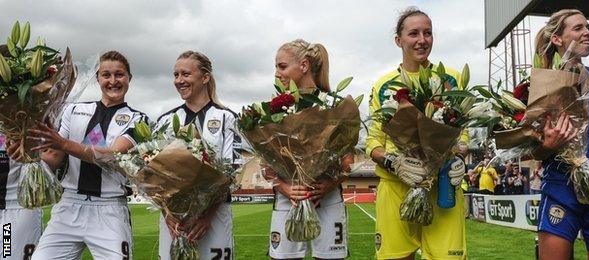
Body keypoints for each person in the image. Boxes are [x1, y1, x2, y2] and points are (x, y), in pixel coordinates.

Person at [20, 51, 148, 259]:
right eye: (106, 75)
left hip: (109, 209)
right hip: (68, 206)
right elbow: (54, 157)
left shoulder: (138, 119)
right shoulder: (74, 110)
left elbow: (112, 156)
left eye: (119, 75)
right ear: (97, 78)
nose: (113, 81)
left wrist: (63, 143)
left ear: (129, 79)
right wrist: (27, 151)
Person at [365, 8, 466, 259]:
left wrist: (460, 156)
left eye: (428, 33)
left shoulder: (450, 80)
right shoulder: (383, 86)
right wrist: (394, 162)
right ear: (398, 40)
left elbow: (462, 133)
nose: (422, 40)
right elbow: (374, 141)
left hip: (443, 185)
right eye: (414, 33)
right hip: (396, 186)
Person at [532, 9, 589, 260]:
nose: (587, 33)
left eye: (588, 27)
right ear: (557, 39)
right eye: (578, 28)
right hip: (561, 188)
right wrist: (548, 145)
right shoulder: (539, 86)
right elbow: (532, 150)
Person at [264, 39, 353, 260]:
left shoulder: (334, 106)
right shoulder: (273, 109)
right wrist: (283, 186)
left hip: (327, 199)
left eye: (282, 66)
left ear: (303, 66)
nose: (277, 73)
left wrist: (329, 184)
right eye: (276, 67)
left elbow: (347, 162)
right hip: (287, 200)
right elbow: (266, 165)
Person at [156, 50, 242, 260]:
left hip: (214, 217)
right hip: (174, 219)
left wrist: (207, 216)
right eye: (176, 75)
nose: (179, 80)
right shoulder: (166, 120)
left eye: (185, 74)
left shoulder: (228, 118)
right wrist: (168, 214)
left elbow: (232, 173)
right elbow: (153, 172)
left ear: (205, 77)